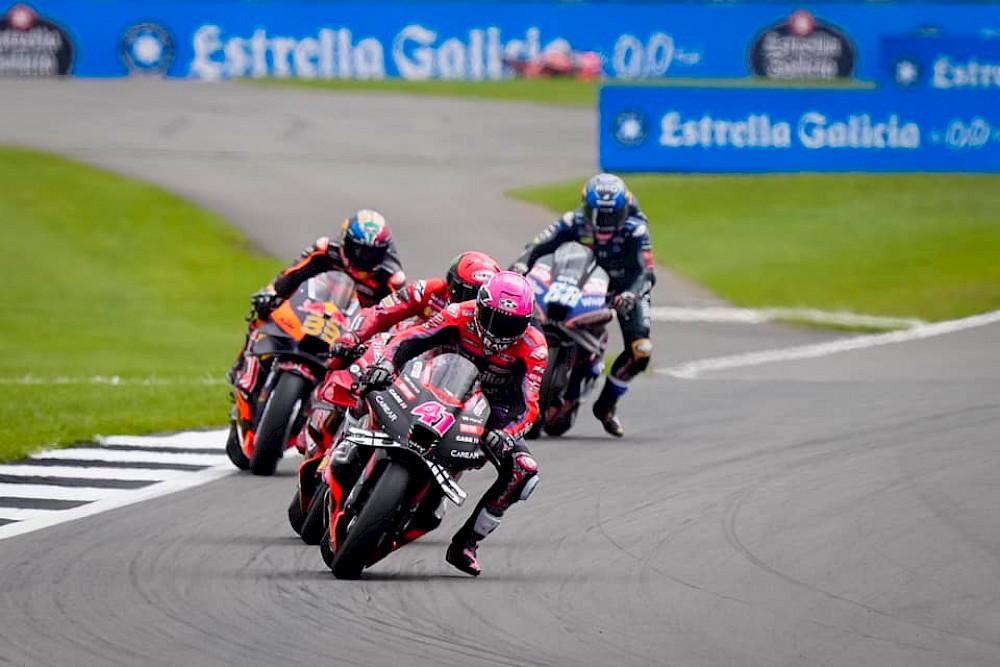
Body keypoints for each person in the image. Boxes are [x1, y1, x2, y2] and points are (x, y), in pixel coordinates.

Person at [356, 271, 547, 576]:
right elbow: (412, 339)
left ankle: (468, 542)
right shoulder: (460, 312)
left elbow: (530, 404)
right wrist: (387, 365)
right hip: (435, 382)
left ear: (525, 323)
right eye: (492, 318)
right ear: (480, 306)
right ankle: (346, 451)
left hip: (493, 410)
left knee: (524, 471)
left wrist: (507, 434)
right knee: (369, 383)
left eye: (509, 324)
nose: (498, 330)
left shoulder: (534, 347)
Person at [298, 251, 503, 454]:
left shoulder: (498, 333)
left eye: (483, 301)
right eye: (471, 295)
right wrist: (352, 337)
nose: (475, 305)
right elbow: (381, 312)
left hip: (444, 382)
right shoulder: (429, 290)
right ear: (453, 287)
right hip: (402, 357)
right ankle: (324, 422)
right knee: (356, 365)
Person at [228, 209, 406, 426]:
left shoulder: (391, 277)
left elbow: (397, 317)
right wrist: (271, 293)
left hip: (353, 330)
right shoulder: (325, 250)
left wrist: (375, 342)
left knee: (366, 375)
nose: (362, 259)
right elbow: (291, 275)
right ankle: (242, 368)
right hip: (314, 312)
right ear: (345, 242)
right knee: (262, 313)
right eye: (357, 250)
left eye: (371, 254)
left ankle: (331, 422)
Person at [510, 173, 655, 438]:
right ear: (585, 208)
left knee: (641, 350)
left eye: (610, 216)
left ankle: (606, 406)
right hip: (583, 280)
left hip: (625, 289)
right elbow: (538, 245)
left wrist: (631, 295)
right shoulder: (573, 220)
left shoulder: (636, 229)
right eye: (595, 214)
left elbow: (646, 272)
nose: (602, 223)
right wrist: (520, 265)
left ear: (623, 211)